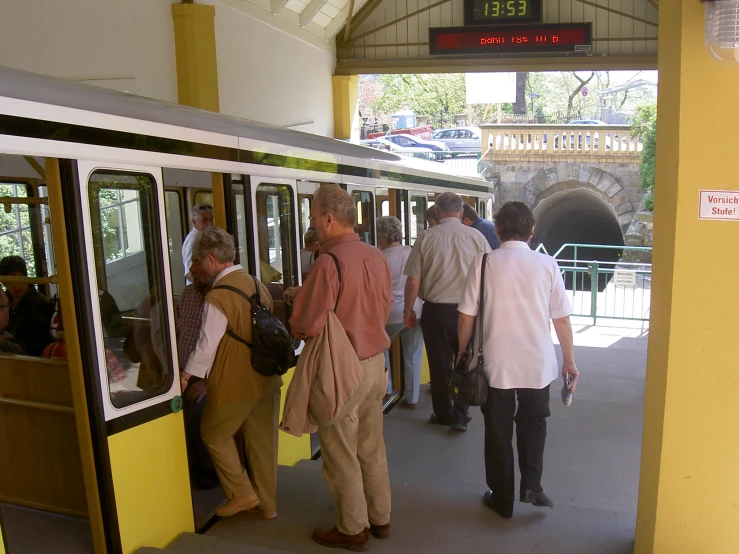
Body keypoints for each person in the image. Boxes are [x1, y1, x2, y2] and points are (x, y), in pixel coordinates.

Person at [457, 201, 580, 519]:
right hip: (537, 363)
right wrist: (569, 361)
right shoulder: (547, 264)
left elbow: (466, 316)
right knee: (534, 423)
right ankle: (532, 486)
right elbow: (561, 319)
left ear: (497, 230)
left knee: (497, 430)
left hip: (495, 362)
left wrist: (462, 352)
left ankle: (502, 498)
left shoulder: (483, 263)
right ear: (532, 231)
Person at [289, 185, 393, 551]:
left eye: (314, 217)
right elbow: (381, 306)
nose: (312, 223)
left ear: (329, 219)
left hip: (340, 369)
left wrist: (294, 309)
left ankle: (352, 529)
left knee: (340, 451)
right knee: (371, 445)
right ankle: (380, 517)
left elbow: (307, 323)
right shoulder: (375, 256)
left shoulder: (327, 262)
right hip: (375, 364)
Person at [180, 227, 282, 520]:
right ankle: (268, 506)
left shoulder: (218, 296)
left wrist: (187, 377)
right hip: (266, 377)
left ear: (212, 259)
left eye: (198, 260)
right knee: (262, 445)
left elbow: (206, 346)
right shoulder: (256, 283)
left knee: (213, 433)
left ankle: (241, 493)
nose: (196, 267)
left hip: (235, 382)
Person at [403, 192, 490, 432]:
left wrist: (408, 309)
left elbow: (413, 281)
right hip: (469, 311)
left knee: (439, 365)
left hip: (436, 311)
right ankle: (461, 414)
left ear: (438, 212)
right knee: (465, 361)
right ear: (461, 212)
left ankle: (443, 413)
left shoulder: (426, 237)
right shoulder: (477, 237)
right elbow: (488, 276)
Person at [376, 215, 424, 409]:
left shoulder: (380, 257)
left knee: (380, 348)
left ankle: (386, 388)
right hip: (415, 309)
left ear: (384, 236)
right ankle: (412, 398)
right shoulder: (412, 252)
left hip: (389, 312)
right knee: (413, 354)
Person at [175, 279, 218, 490]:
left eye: (197, 262)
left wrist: (206, 382)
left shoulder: (222, 294)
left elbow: (224, 344)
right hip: (183, 372)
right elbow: (179, 328)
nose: (192, 268)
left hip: (212, 376)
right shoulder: (189, 293)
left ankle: (210, 471)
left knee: (198, 420)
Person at [0, 256, 53, 356]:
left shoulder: (39, 304)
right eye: (10, 282)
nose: (15, 285)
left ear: (25, 276)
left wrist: (6, 340)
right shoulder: (3, 302)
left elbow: (37, 345)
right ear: (4, 283)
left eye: (18, 279)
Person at [182, 203, 215, 285]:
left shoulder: (204, 237)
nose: (210, 224)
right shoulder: (194, 240)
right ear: (194, 222)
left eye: (211, 219)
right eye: (204, 220)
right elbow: (189, 273)